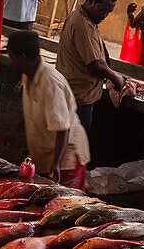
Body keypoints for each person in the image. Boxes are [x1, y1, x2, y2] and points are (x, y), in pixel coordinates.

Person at [6, 30, 91, 188]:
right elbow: (32, 109)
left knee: (66, 204)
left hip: (66, 160)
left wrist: (56, 165)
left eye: (12, 58)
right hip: (45, 157)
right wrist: (16, 131)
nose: (11, 63)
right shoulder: (28, 74)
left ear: (23, 57)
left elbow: (62, 128)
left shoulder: (50, 83)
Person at [56, 0, 127, 132]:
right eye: (102, 10)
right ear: (90, 1)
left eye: (108, 12)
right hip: (79, 96)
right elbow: (95, 64)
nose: (104, 15)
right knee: (75, 143)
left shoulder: (82, 17)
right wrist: (116, 78)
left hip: (75, 93)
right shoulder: (82, 25)